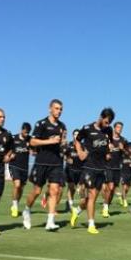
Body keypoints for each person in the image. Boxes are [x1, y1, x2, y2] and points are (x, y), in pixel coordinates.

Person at [23, 99, 67, 231]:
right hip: (42, 162)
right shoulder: (41, 124)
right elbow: (32, 142)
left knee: (54, 191)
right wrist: (50, 141)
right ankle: (26, 210)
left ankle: (50, 221)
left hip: (57, 163)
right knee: (37, 191)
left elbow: (62, 142)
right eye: (56, 108)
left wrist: (64, 143)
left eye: (60, 109)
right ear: (50, 109)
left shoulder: (62, 126)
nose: (58, 111)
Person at [70, 108, 115, 234]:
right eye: (106, 121)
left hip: (102, 167)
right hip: (89, 166)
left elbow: (109, 145)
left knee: (90, 199)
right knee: (92, 195)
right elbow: (77, 140)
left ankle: (77, 210)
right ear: (101, 117)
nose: (108, 124)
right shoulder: (87, 128)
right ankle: (91, 224)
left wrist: (108, 152)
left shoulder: (108, 130)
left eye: (110, 122)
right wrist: (80, 152)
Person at [102, 122, 126, 218]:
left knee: (112, 190)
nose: (119, 129)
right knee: (110, 187)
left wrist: (122, 149)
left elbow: (126, 154)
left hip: (117, 168)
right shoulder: (107, 139)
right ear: (114, 128)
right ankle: (105, 208)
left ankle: (106, 205)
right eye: (118, 127)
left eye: (121, 127)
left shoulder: (123, 140)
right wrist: (106, 151)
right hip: (108, 166)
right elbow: (101, 151)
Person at [9, 122, 32, 218]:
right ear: (22, 130)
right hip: (14, 165)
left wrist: (33, 151)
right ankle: (14, 206)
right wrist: (9, 155)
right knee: (17, 185)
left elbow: (34, 150)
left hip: (24, 168)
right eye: (25, 132)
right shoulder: (13, 138)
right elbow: (6, 149)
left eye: (28, 132)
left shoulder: (30, 139)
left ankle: (16, 204)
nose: (26, 134)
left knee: (21, 188)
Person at [64, 129, 84, 212]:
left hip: (81, 170)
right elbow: (65, 155)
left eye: (78, 134)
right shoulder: (69, 145)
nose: (76, 136)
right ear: (72, 135)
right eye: (75, 134)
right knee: (71, 188)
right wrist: (68, 159)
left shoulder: (83, 146)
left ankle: (83, 204)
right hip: (71, 169)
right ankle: (70, 205)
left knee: (82, 188)